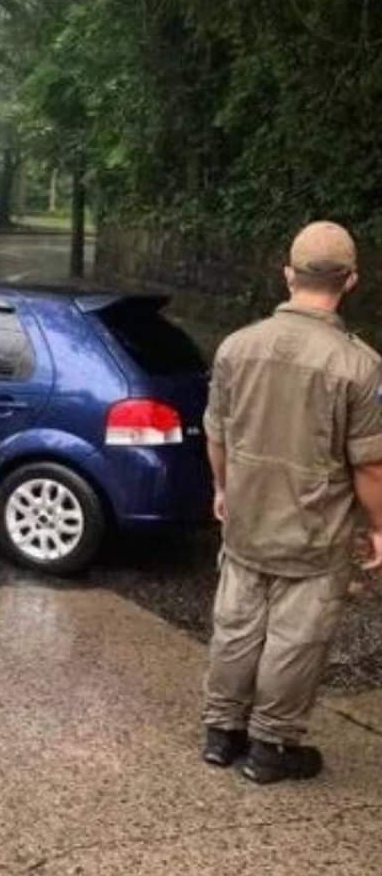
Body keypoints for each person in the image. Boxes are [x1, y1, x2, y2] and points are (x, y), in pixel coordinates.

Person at [201, 221, 382, 784]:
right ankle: (271, 747)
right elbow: (370, 464)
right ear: (350, 280)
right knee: (295, 636)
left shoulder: (237, 347)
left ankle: (221, 732)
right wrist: (379, 526)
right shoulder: (359, 365)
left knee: (236, 623)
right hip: (313, 528)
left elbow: (217, 432)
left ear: (288, 274)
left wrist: (224, 489)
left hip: (247, 517)